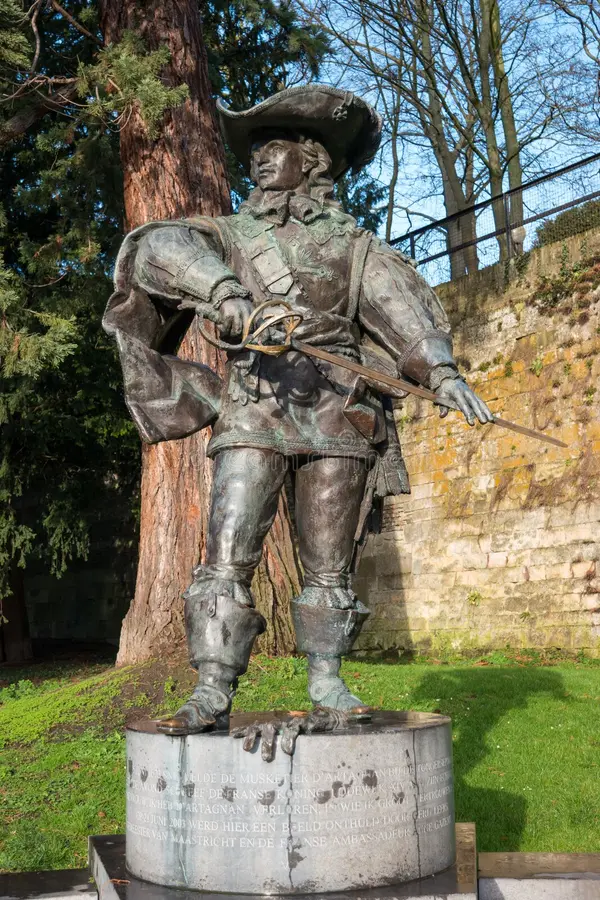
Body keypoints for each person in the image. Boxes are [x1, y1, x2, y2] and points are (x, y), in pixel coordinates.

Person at [104, 84, 493, 737]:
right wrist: (223, 290)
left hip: (339, 410)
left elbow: (399, 311)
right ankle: (211, 688)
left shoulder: (355, 246)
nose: (259, 157)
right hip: (255, 405)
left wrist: (443, 374)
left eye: (274, 145)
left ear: (312, 160)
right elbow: (153, 249)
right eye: (256, 148)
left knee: (330, 565)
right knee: (226, 554)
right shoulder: (230, 235)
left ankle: (327, 682)